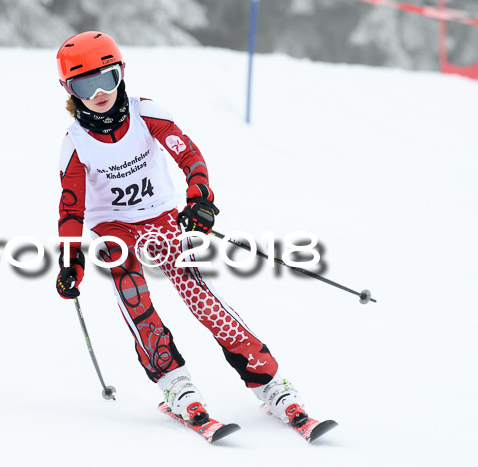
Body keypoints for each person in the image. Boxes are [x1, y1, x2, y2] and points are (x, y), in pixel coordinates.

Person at [54, 31, 308, 428]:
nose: (101, 92)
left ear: (122, 73)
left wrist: (200, 197)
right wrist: (72, 261)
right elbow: (71, 209)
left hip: (160, 217)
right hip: (112, 227)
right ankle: (176, 384)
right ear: (69, 90)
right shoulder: (75, 144)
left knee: (201, 297)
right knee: (134, 297)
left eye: (109, 78)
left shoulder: (145, 112)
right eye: (86, 84)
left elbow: (187, 153)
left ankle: (268, 380)